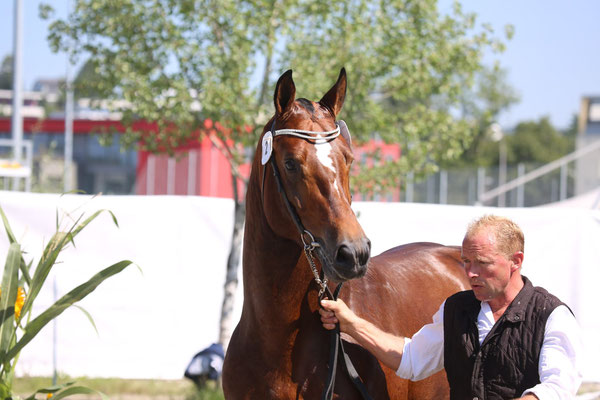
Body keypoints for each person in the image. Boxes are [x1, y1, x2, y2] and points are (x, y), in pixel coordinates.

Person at [320, 215, 583, 400]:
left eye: (482, 262)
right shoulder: (456, 309)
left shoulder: (552, 316)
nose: (470, 273)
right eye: (467, 261)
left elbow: (558, 389)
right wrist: (353, 324)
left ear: (516, 261)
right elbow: (412, 358)